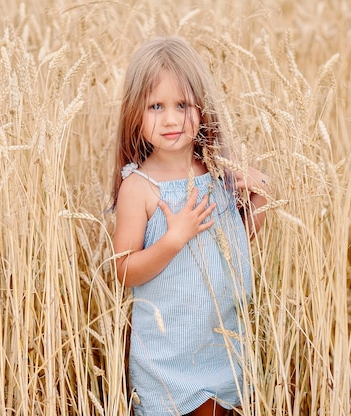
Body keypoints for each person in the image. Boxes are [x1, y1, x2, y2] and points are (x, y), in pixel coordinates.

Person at [111, 36, 269, 416]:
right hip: (168, 357)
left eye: (182, 105)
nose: (170, 118)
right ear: (135, 113)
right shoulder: (140, 189)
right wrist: (173, 238)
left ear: (202, 108)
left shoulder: (217, 174)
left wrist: (261, 197)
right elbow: (122, 269)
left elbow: (237, 241)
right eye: (155, 106)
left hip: (221, 344)